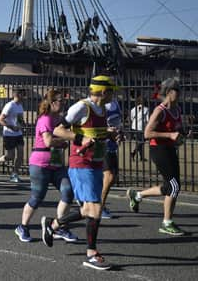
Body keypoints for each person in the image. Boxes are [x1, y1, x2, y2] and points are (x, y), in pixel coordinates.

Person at [41, 75, 118, 271]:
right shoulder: (82, 107)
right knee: (95, 210)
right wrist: (80, 139)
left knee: (87, 211)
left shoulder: (102, 109)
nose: (113, 95)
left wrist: (109, 133)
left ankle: (53, 225)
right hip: (81, 164)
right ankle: (91, 253)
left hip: (95, 163)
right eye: (111, 91)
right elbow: (58, 130)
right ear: (102, 92)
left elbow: (93, 132)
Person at [126, 78, 191, 236]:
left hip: (169, 149)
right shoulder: (160, 110)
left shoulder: (177, 109)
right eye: (177, 90)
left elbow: (176, 129)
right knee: (174, 186)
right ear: (169, 92)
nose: (180, 93)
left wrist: (181, 134)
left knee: (169, 186)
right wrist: (170, 134)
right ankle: (166, 222)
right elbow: (147, 133)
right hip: (158, 149)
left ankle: (138, 195)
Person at [14, 89, 77, 243]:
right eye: (60, 100)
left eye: (64, 100)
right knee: (37, 197)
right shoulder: (46, 119)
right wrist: (63, 141)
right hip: (40, 163)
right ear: (52, 102)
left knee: (68, 191)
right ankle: (23, 226)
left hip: (56, 163)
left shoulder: (60, 119)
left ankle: (59, 227)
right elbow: (48, 141)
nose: (63, 103)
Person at [0, 88, 25, 182]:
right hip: (9, 134)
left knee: (20, 155)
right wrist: (12, 127)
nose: (24, 96)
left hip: (19, 134)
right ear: (17, 95)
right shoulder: (9, 105)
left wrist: (22, 123)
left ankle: (14, 174)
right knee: (10, 156)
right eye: (23, 94)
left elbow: (19, 119)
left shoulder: (20, 106)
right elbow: (0, 119)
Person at [100, 99, 123, 219]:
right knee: (109, 177)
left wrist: (120, 133)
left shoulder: (115, 103)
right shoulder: (99, 104)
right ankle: (99, 207)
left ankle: (90, 201)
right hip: (102, 145)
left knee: (111, 177)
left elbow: (117, 122)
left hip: (112, 145)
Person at [129, 96, 149, 162]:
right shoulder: (146, 109)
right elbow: (148, 119)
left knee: (139, 142)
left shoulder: (133, 109)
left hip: (134, 126)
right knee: (141, 142)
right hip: (141, 127)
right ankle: (133, 153)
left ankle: (141, 157)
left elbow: (131, 118)